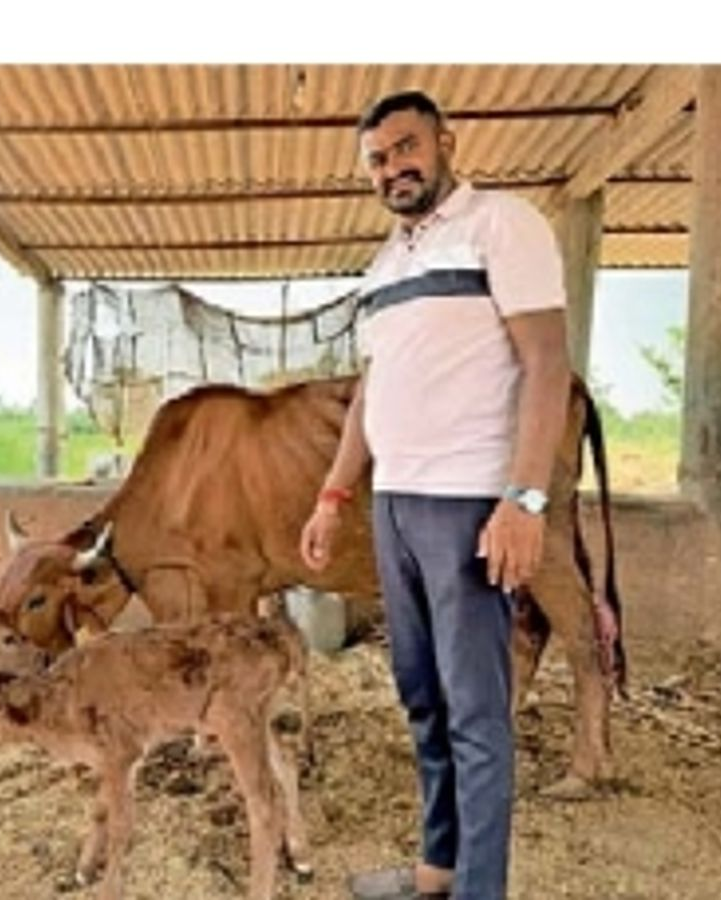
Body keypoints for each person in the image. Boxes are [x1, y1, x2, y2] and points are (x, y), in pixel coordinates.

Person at [300, 91, 571, 900]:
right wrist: (333, 495)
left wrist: (524, 498)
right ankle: (438, 871)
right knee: (421, 696)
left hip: (466, 505)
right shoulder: (385, 265)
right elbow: (374, 395)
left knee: (476, 716)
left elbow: (547, 363)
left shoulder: (502, 224)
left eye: (406, 148)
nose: (394, 167)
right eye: (378, 159)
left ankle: (480, 891)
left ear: (445, 141)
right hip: (394, 507)